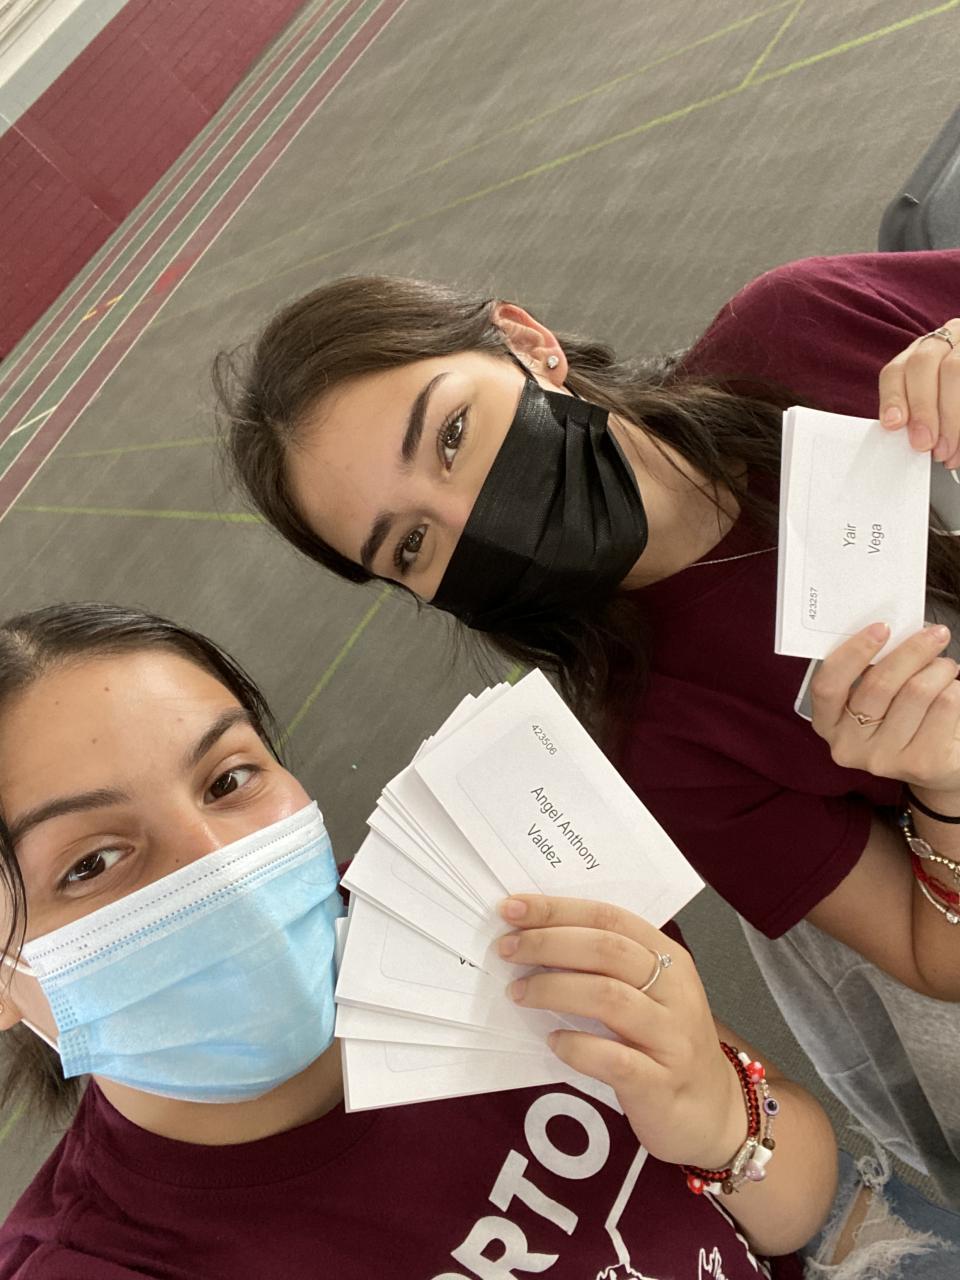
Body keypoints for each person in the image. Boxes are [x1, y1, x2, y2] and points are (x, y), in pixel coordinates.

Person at [216, 249, 960, 1206]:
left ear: (528, 343)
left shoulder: (801, 329)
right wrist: (945, 789)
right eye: (412, 544)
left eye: (452, 434)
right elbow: (932, 953)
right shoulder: (660, 743)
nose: (470, 512)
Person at [0, 601, 837, 1279]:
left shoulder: (485, 893)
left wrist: (724, 1126)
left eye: (229, 778)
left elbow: (794, 1207)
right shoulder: (99, 1262)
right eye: (90, 864)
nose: (222, 867)